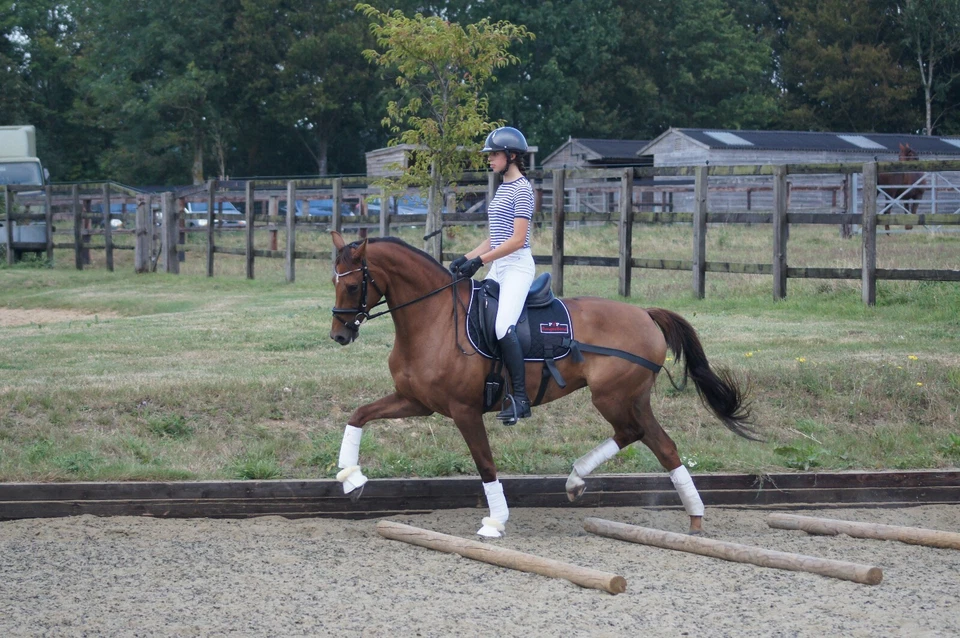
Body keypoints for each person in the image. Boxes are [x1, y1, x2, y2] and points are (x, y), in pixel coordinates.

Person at [450, 126, 535, 425]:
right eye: (490, 154)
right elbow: (496, 237)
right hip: (499, 264)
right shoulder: (502, 188)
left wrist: (481, 261)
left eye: (495, 154)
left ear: (511, 156)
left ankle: (521, 399)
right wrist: (467, 258)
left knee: (501, 327)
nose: (489, 159)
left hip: (517, 267)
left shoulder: (523, 189)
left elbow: (516, 240)